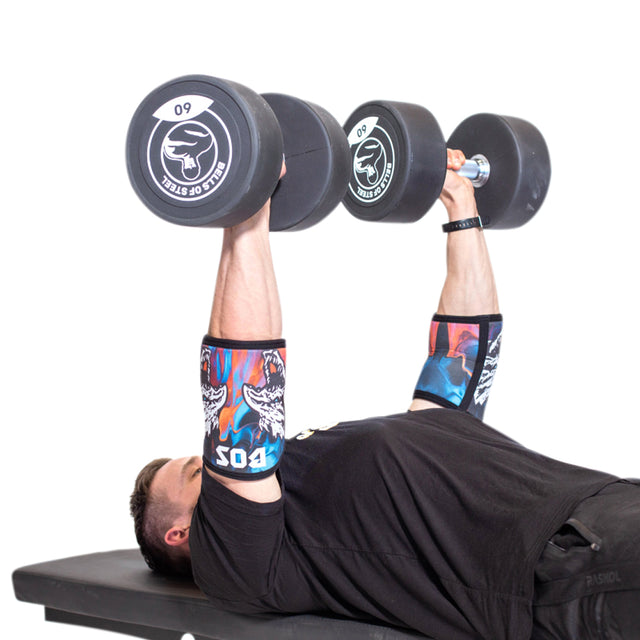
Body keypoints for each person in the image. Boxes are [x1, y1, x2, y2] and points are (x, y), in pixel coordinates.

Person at [130, 152, 639, 640]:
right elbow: (238, 382)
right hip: (570, 567)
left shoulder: (314, 472)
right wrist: (246, 208)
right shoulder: (239, 563)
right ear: (180, 533)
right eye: (198, 472)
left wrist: (461, 204)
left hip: (608, 505)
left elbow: (461, 354)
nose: (212, 463)